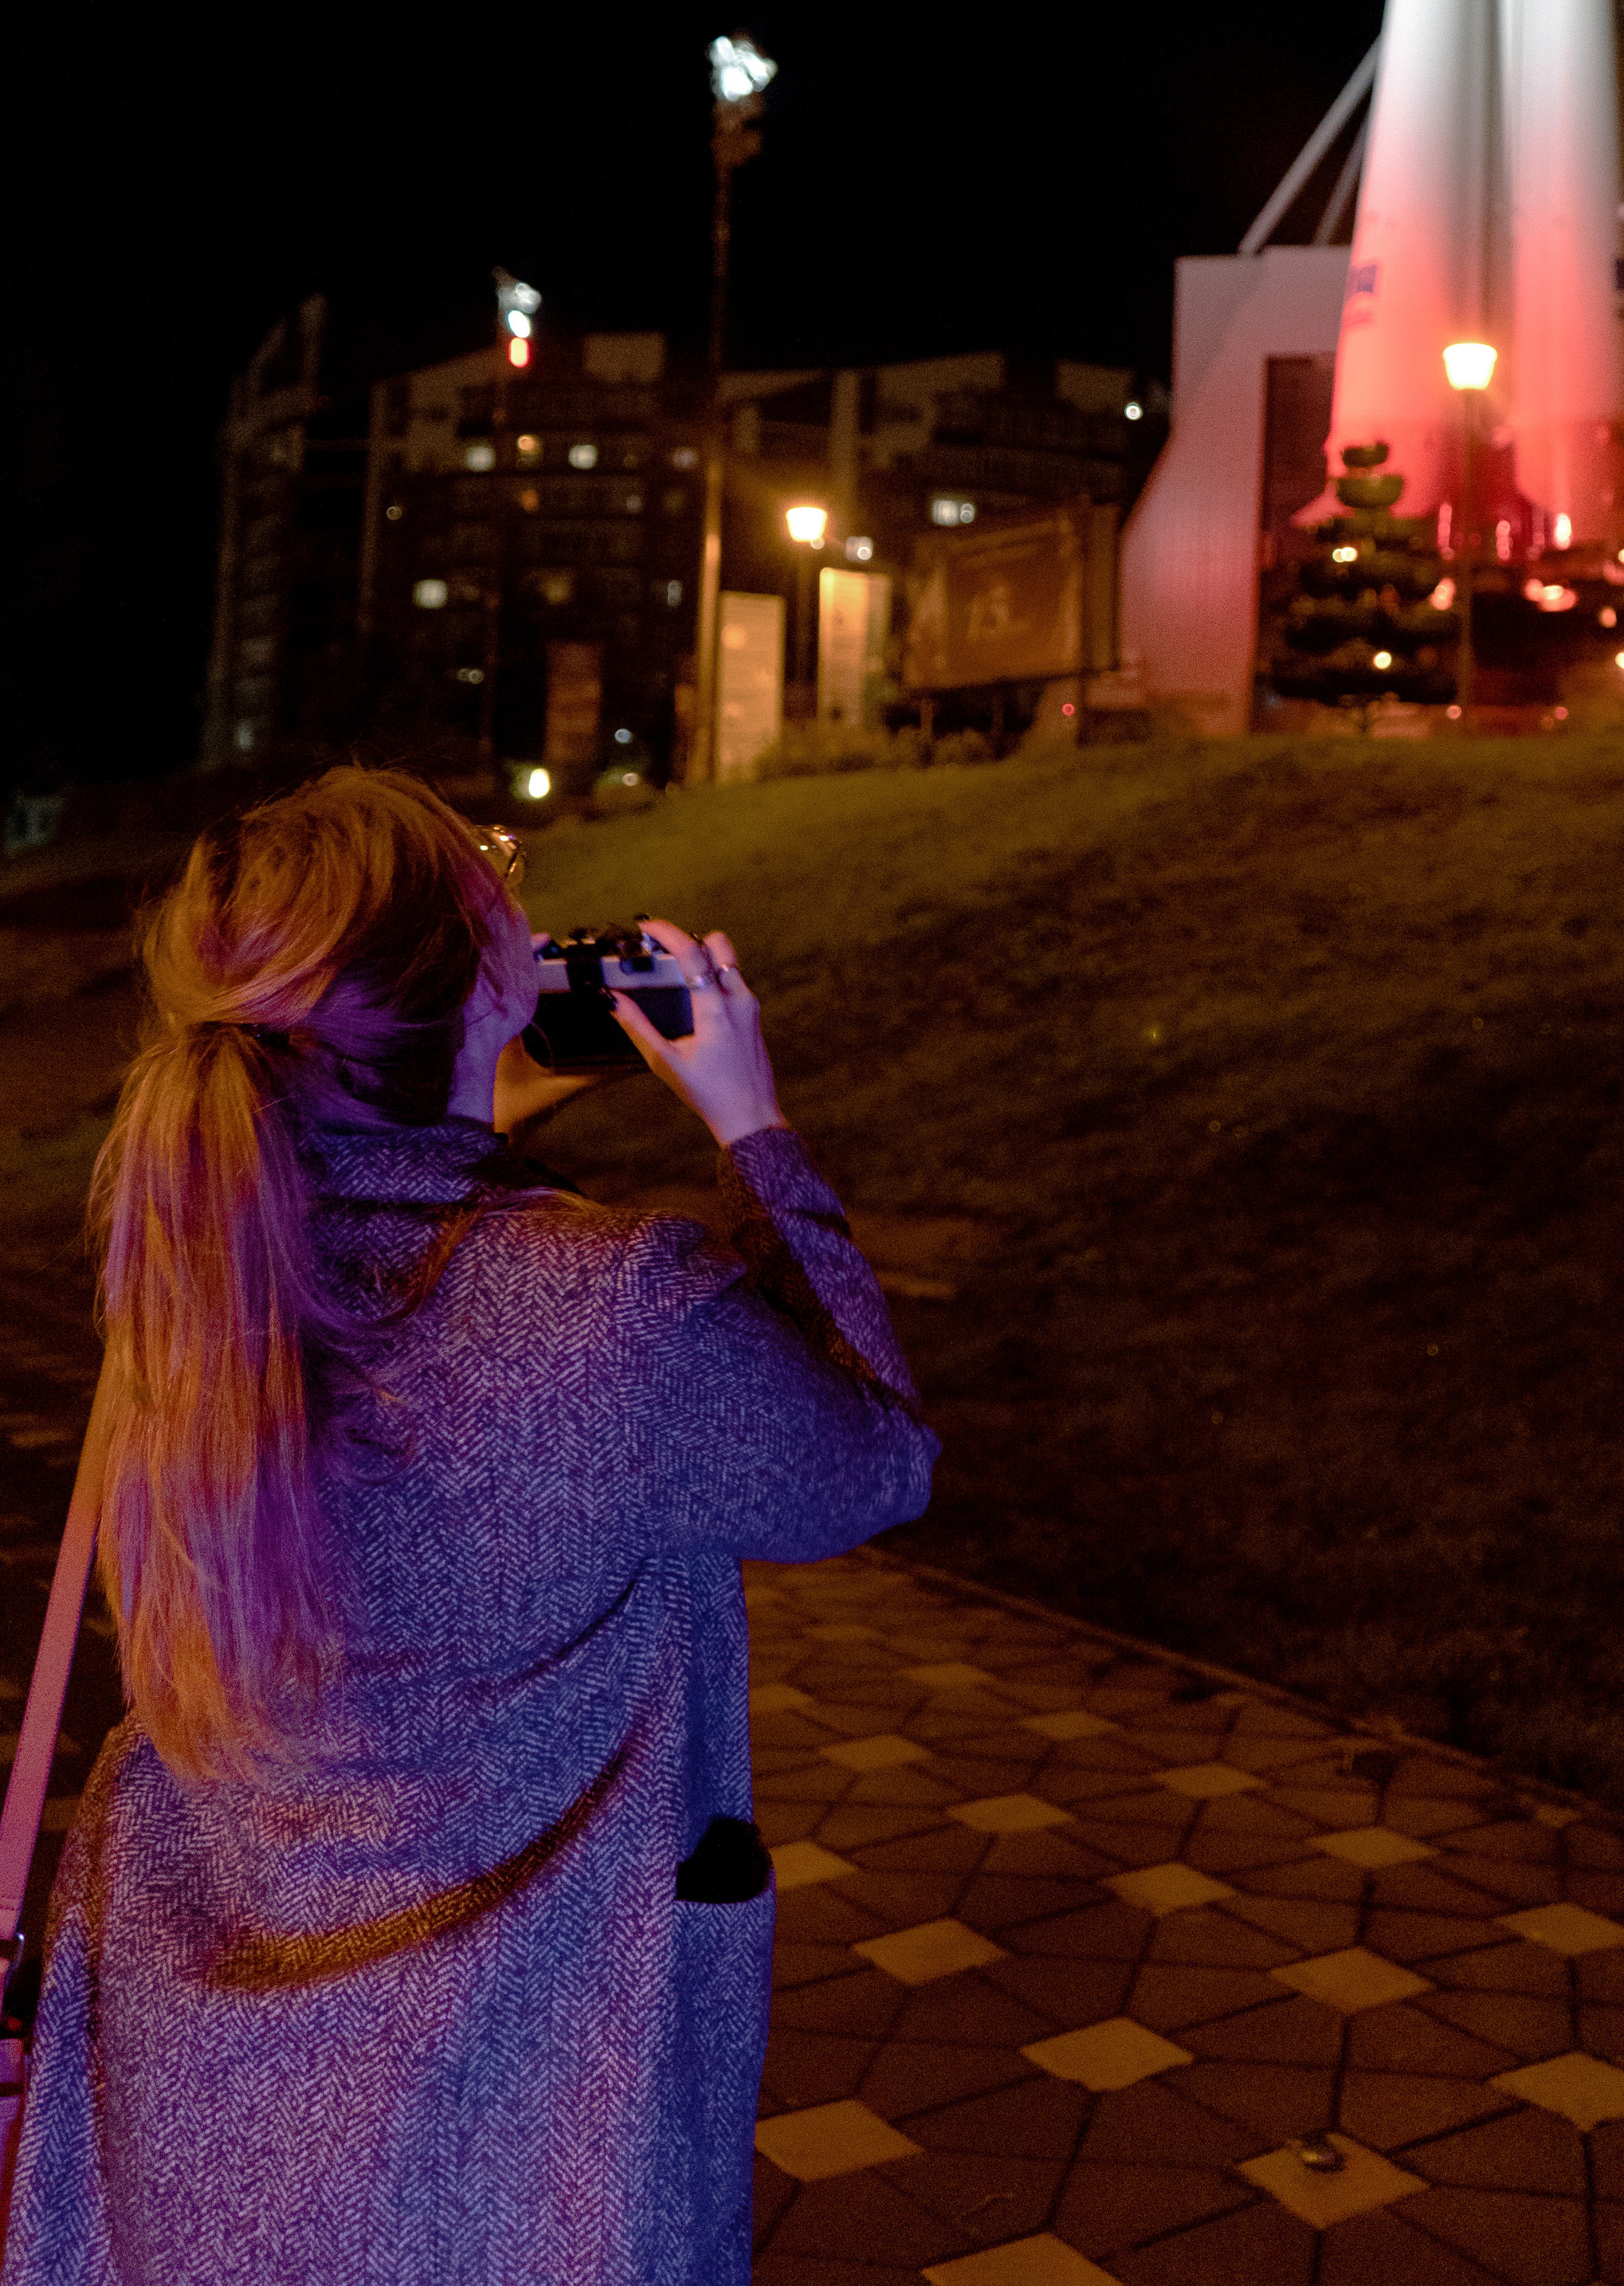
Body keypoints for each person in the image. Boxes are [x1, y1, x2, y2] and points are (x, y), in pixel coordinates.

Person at [2, 768, 936, 2286]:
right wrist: (755, 1131)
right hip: (523, 2131)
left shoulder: (192, 1298)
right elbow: (878, 1457)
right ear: (491, 974)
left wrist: (467, 1121)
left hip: (191, 2115)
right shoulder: (620, 1309)